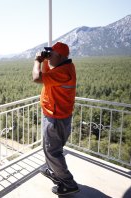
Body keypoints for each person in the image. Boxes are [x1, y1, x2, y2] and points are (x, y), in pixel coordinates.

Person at [32, 42, 79, 195]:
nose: (49, 57)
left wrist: (38, 61)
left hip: (55, 118)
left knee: (53, 152)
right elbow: (47, 76)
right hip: (59, 117)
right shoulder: (65, 68)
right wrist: (46, 60)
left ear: (59, 55)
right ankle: (53, 170)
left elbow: (37, 78)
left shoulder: (63, 72)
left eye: (51, 54)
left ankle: (68, 183)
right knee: (52, 149)